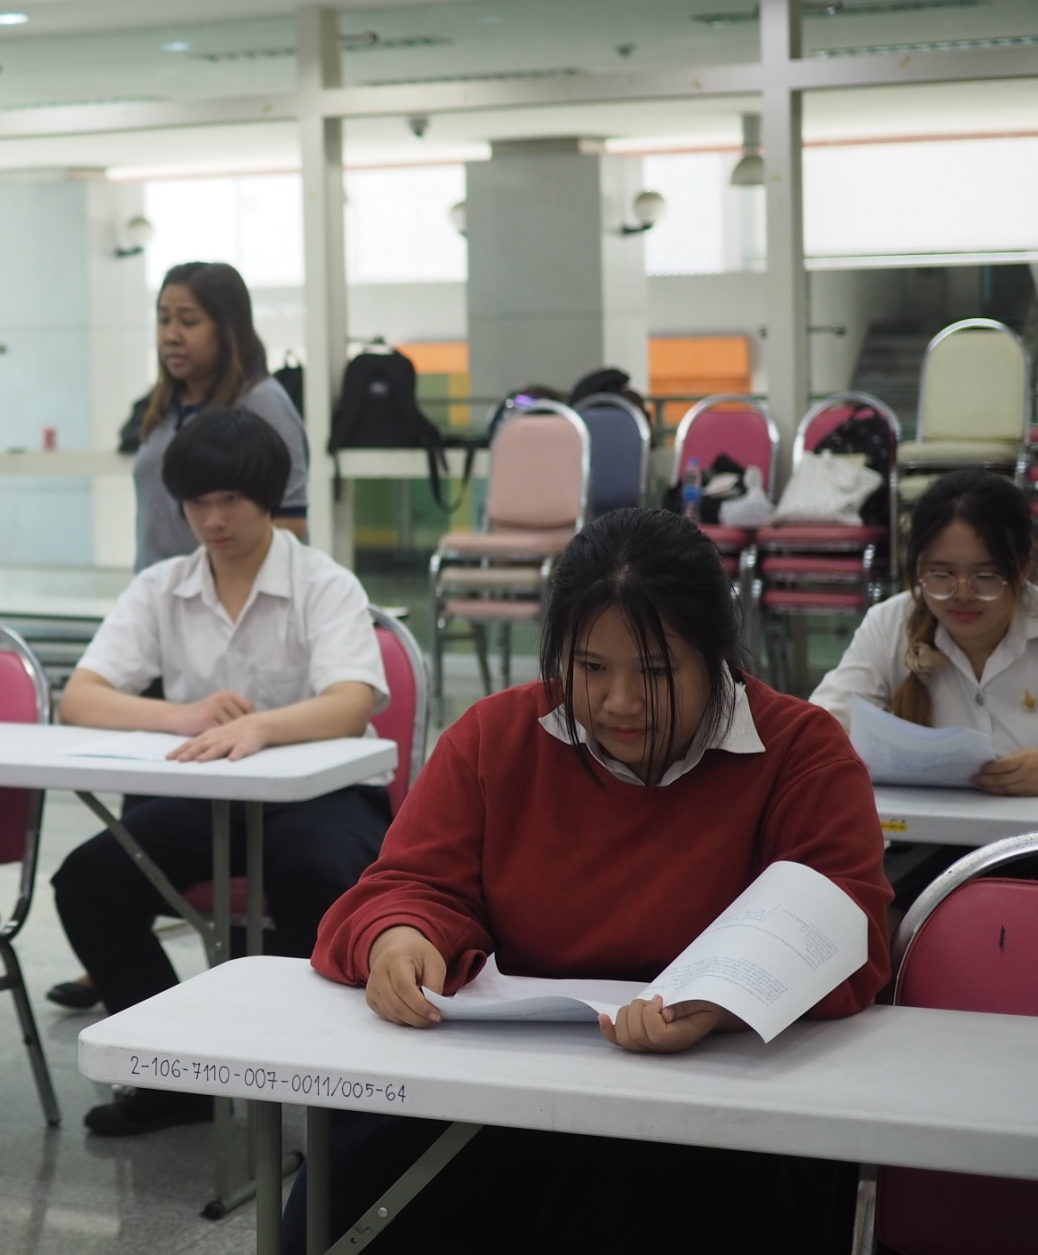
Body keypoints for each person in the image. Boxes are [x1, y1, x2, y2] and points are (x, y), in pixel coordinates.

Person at [293, 507, 890, 1254]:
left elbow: (846, 928)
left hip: (720, 1098)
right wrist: (400, 937)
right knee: (337, 1199)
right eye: (590, 668)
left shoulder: (800, 752)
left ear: (717, 654)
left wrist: (723, 1005)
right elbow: (406, 883)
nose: (620, 703)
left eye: (657, 672)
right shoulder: (496, 738)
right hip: (508, 1084)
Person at [52, 408, 389, 1134]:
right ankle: (173, 1074)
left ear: (267, 496)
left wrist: (261, 725)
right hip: (209, 801)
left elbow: (351, 702)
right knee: (87, 881)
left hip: (323, 798)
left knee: (317, 877)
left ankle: (320, 1080)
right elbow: (80, 699)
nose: (213, 519)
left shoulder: (323, 582)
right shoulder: (161, 588)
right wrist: (179, 715)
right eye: (197, 502)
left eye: (230, 499)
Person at [811, 469, 1038, 795]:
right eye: (941, 574)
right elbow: (820, 726)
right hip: (914, 824)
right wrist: (839, 746)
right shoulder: (891, 623)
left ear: (1023, 569)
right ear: (918, 567)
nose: (962, 594)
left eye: (986, 576)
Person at [131, 261, 307, 573]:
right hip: (157, 589)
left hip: (225, 594)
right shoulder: (163, 404)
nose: (171, 336)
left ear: (227, 329)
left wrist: (221, 587)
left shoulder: (261, 402)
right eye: (163, 320)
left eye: (188, 321)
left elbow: (290, 522)